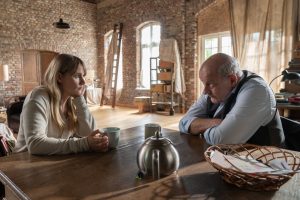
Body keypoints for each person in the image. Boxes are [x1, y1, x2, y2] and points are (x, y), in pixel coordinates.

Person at [179, 53, 285, 147]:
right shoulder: (212, 90)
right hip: (229, 162)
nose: (204, 92)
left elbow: (222, 140)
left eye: (210, 84)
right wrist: (215, 123)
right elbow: (183, 123)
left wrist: (199, 127)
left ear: (232, 80)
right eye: (204, 83)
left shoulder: (257, 90)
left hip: (267, 164)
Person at [14, 53, 109, 155]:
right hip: (24, 162)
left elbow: (89, 132)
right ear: (59, 77)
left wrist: (79, 99)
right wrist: (85, 144)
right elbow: (35, 144)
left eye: (83, 76)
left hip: (55, 161)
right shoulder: (38, 96)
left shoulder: (71, 101)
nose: (83, 82)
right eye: (77, 76)